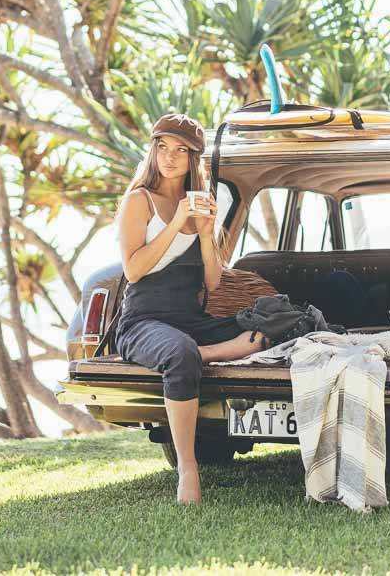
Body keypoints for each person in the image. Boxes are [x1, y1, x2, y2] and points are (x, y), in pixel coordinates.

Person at [114, 112, 268, 505]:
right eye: (162, 147)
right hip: (143, 321)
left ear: (192, 159)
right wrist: (176, 221)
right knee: (179, 354)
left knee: (275, 326)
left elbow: (213, 282)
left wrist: (204, 232)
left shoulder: (199, 205)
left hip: (190, 319)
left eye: (180, 150)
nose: (169, 157)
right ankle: (188, 468)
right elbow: (134, 270)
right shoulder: (139, 200)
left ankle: (205, 353)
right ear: (153, 151)